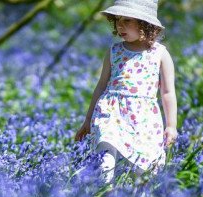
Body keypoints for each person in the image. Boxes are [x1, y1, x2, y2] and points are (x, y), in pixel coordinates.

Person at [74, 0, 178, 184]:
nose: (120, 25)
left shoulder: (160, 54)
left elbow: (168, 92)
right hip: (110, 112)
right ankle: (102, 193)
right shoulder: (113, 52)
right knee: (105, 154)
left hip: (143, 117)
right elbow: (101, 86)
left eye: (127, 20)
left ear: (146, 24)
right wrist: (88, 120)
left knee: (143, 168)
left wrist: (171, 125)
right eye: (118, 20)